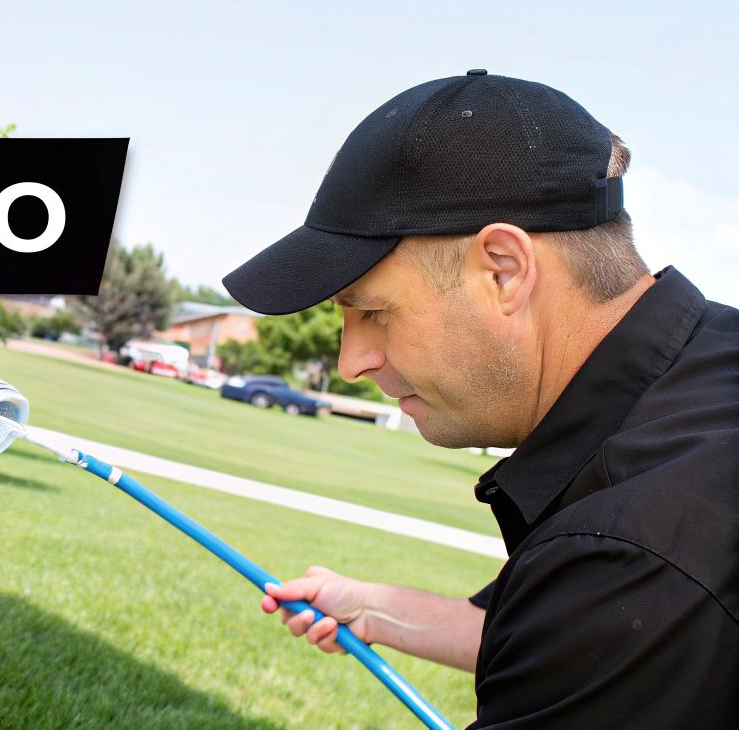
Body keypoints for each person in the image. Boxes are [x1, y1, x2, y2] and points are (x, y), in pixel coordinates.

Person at [221, 70, 737, 726]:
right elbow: (557, 633)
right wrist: (373, 608)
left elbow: (606, 611)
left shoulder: (635, 554)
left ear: (504, 271)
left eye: (373, 311)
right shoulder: (701, 379)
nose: (353, 363)